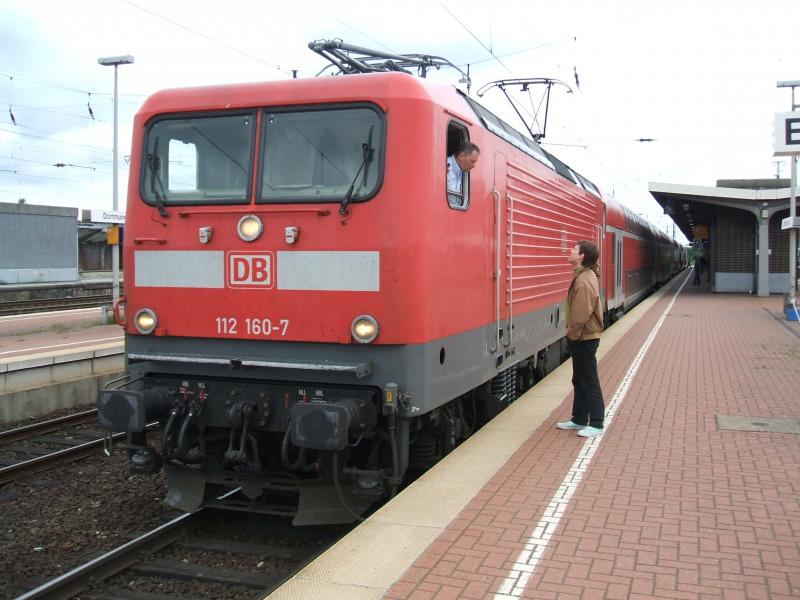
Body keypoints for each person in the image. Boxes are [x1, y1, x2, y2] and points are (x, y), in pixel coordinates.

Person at [556, 240, 606, 437]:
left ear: (582, 256)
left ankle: (596, 423)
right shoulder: (583, 276)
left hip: (584, 337)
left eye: (574, 249)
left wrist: (572, 333)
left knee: (589, 379)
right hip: (583, 336)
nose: (570, 250)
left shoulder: (585, 279)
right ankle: (578, 419)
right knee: (579, 379)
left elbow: (581, 312)